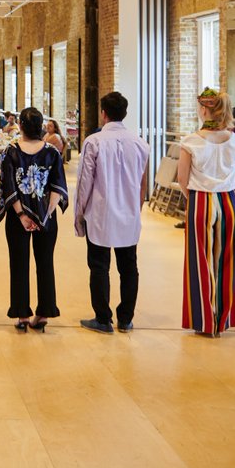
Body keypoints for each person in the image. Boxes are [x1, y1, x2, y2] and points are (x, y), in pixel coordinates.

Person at [75, 92, 150, 334]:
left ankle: (102, 318)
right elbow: (142, 184)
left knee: (99, 266)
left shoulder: (94, 142)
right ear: (124, 113)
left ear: (103, 113)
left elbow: (85, 182)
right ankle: (126, 318)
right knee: (129, 267)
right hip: (129, 212)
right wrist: (136, 210)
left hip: (100, 213)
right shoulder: (140, 143)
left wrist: (79, 214)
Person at [176, 88, 235, 337]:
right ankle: (223, 319)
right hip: (228, 202)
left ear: (204, 109)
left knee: (199, 261)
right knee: (226, 261)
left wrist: (194, 197)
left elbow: (182, 179)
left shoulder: (191, 140)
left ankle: (203, 320)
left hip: (200, 201)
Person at [0, 107, 67, 333]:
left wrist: (21, 215)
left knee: (18, 263)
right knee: (45, 262)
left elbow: (8, 185)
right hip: (46, 216)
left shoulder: (11, 151)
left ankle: (21, 314)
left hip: (18, 218)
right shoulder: (52, 152)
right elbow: (57, 187)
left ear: (20, 126)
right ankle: (44, 311)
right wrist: (45, 215)